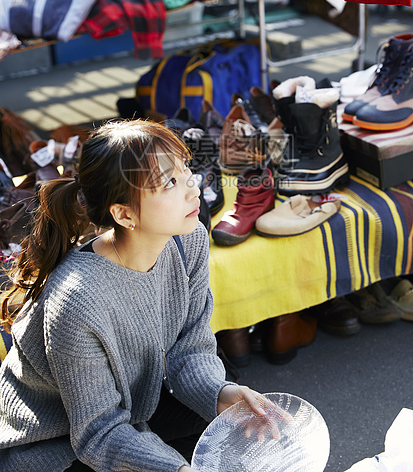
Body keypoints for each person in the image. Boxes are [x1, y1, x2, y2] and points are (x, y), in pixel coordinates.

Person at [0, 119, 283, 472]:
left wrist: (219, 393)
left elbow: (190, 348)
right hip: (56, 442)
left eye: (185, 170)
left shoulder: (187, 238)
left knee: (235, 426)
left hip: (136, 401)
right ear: (124, 214)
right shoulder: (76, 300)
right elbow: (98, 432)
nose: (193, 188)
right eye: (169, 183)